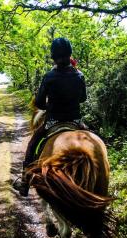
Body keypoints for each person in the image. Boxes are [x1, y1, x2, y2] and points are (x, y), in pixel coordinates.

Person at [15, 37, 87, 196]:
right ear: (70, 55)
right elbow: (83, 99)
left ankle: (25, 182)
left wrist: (51, 105)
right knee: (96, 140)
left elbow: (40, 103)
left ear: (54, 57)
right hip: (75, 121)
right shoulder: (79, 75)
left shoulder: (49, 76)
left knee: (33, 144)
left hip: (53, 121)